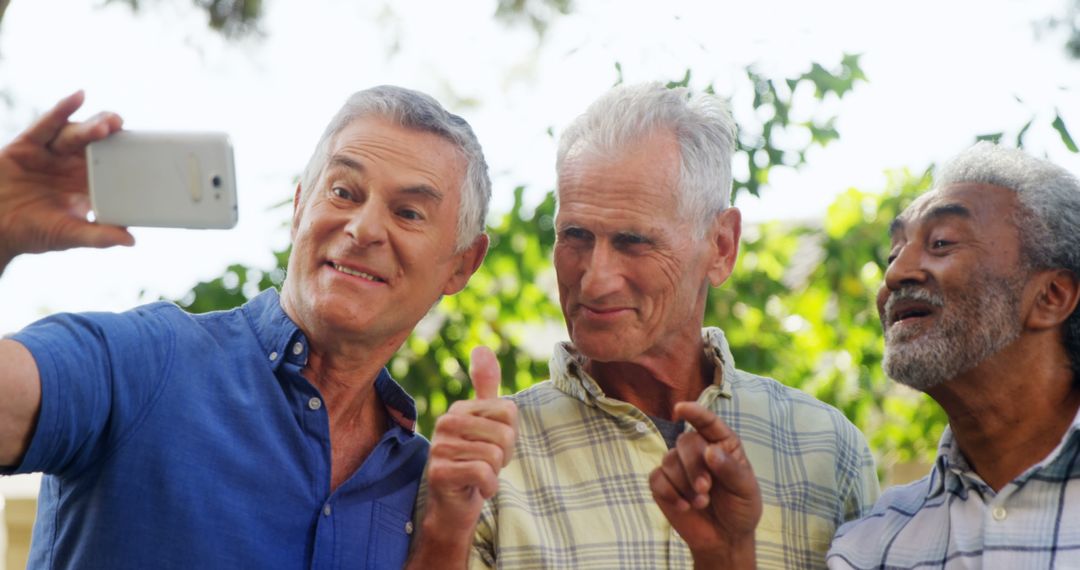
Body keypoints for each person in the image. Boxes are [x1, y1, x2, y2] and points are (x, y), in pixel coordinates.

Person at [0, 86, 493, 568]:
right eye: (343, 192)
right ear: (300, 206)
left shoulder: (425, 483)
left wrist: (447, 532)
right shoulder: (146, 360)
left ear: (461, 266)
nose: (363, 229)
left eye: (408, 212)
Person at [408, 82, 880, 569]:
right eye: (575, 236)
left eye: (633, 241)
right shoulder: (485, 461)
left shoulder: (826, 449)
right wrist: (446, 529)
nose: (594, 280)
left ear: (721, 246)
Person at [827, 142, 1080, 569]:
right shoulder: (869, 549)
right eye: (893, 253)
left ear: (1051, 297)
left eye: (941, 242)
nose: (894, 274)